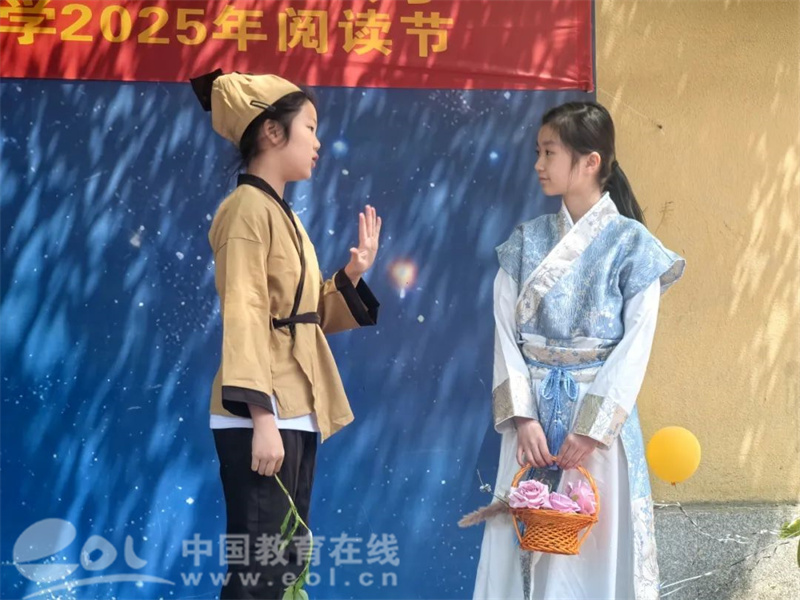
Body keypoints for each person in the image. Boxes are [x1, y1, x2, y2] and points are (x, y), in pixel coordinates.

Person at [472, 101, 685, 600]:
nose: (538, 164)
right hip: (531, 425)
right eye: (538, 152)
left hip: (598, 430)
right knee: (520, 537)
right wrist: (523, 418)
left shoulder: (634, 246)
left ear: (590, 161)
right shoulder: (524, 242)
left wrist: (591, 429)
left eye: (549, 152)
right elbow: (504, 333)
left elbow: (635, 346)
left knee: (593, 550)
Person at [190, 70, 382, 599]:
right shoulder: (246, 211)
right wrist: (262, 418)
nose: (318, 142)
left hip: (293, 403)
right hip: (263, 410)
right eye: (310, 128)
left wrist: (352, 275)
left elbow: (304, 314)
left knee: (285, 562)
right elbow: (246, 313)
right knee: (260, 569)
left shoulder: (282, 214)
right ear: (273, 132)